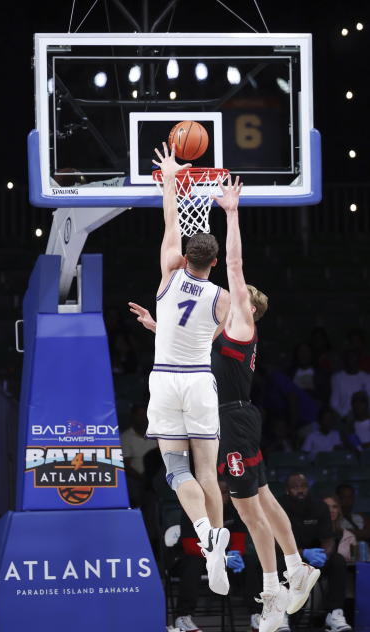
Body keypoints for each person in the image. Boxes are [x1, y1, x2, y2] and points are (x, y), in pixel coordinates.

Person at [130, 175, 320, 632]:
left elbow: (232, 267)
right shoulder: (220, 320)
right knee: (257, 502)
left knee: (250, 507)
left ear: (248, 309)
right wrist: (160, 329)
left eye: (245, 298)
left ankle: (281, 583)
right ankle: (285, 577)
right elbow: (196, 337)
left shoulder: (239, 320)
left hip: (231, 416)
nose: (241, 294)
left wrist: (229, 211)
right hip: (215, 405)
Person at [131, 142, 231, 596]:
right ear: (213, 261)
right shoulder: (224, 297)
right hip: (198, 380)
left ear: (186, 255)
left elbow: (171, 220)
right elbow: (209, 337)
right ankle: (217, 555)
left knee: (176, 470)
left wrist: (172, 175)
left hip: (165, 378)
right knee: (209, 474)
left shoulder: (168, 275)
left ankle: (206, 534)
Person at [278, 474, 352, 632]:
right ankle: (280, 614)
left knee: (338, 560)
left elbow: (328, 539)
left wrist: (325, 554)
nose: (300, 491)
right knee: (275, 561)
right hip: (288, 557)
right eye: (295, 487)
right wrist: (303, 553)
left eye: (303, 486)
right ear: (287, 490)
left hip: (315, 558)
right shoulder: (279, 506)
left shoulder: (319, 506)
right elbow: (275, 542)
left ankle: (335, 613)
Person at [174, 479, 246, 632]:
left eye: (223, 493)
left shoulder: (233, 510)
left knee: (251, 561)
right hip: (197, 556)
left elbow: (239, 536)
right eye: (215, 493)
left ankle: (258, 614)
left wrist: (236, 553)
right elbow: (189, 545)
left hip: (222, 558)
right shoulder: (192, 510)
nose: (219, 496)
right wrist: (219, 557)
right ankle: (183, 617)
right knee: (192, 563)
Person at [120, 403, 158, 507]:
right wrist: (143, 478)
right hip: (138, 479)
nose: (143, 418)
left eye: (145, 415)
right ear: (133, 417)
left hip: (159, 478)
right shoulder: (126, 437)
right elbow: (125, 465)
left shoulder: (157, 433)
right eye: (140, 415)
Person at [330, 349, 370, 417]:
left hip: (364, 417)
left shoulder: (367, 378)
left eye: (354, 358)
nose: (352, 361)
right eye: (349, 358)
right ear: (345, 360)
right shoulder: (337, 378)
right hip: (345, 417)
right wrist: (345, 416)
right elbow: (334, 403)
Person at [322, 495, 357, 561]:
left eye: (334, 507)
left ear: (339, 510)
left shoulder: (349, 537)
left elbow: (355, 562)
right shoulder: (313, 534)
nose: (331, 510)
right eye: (326, 507)